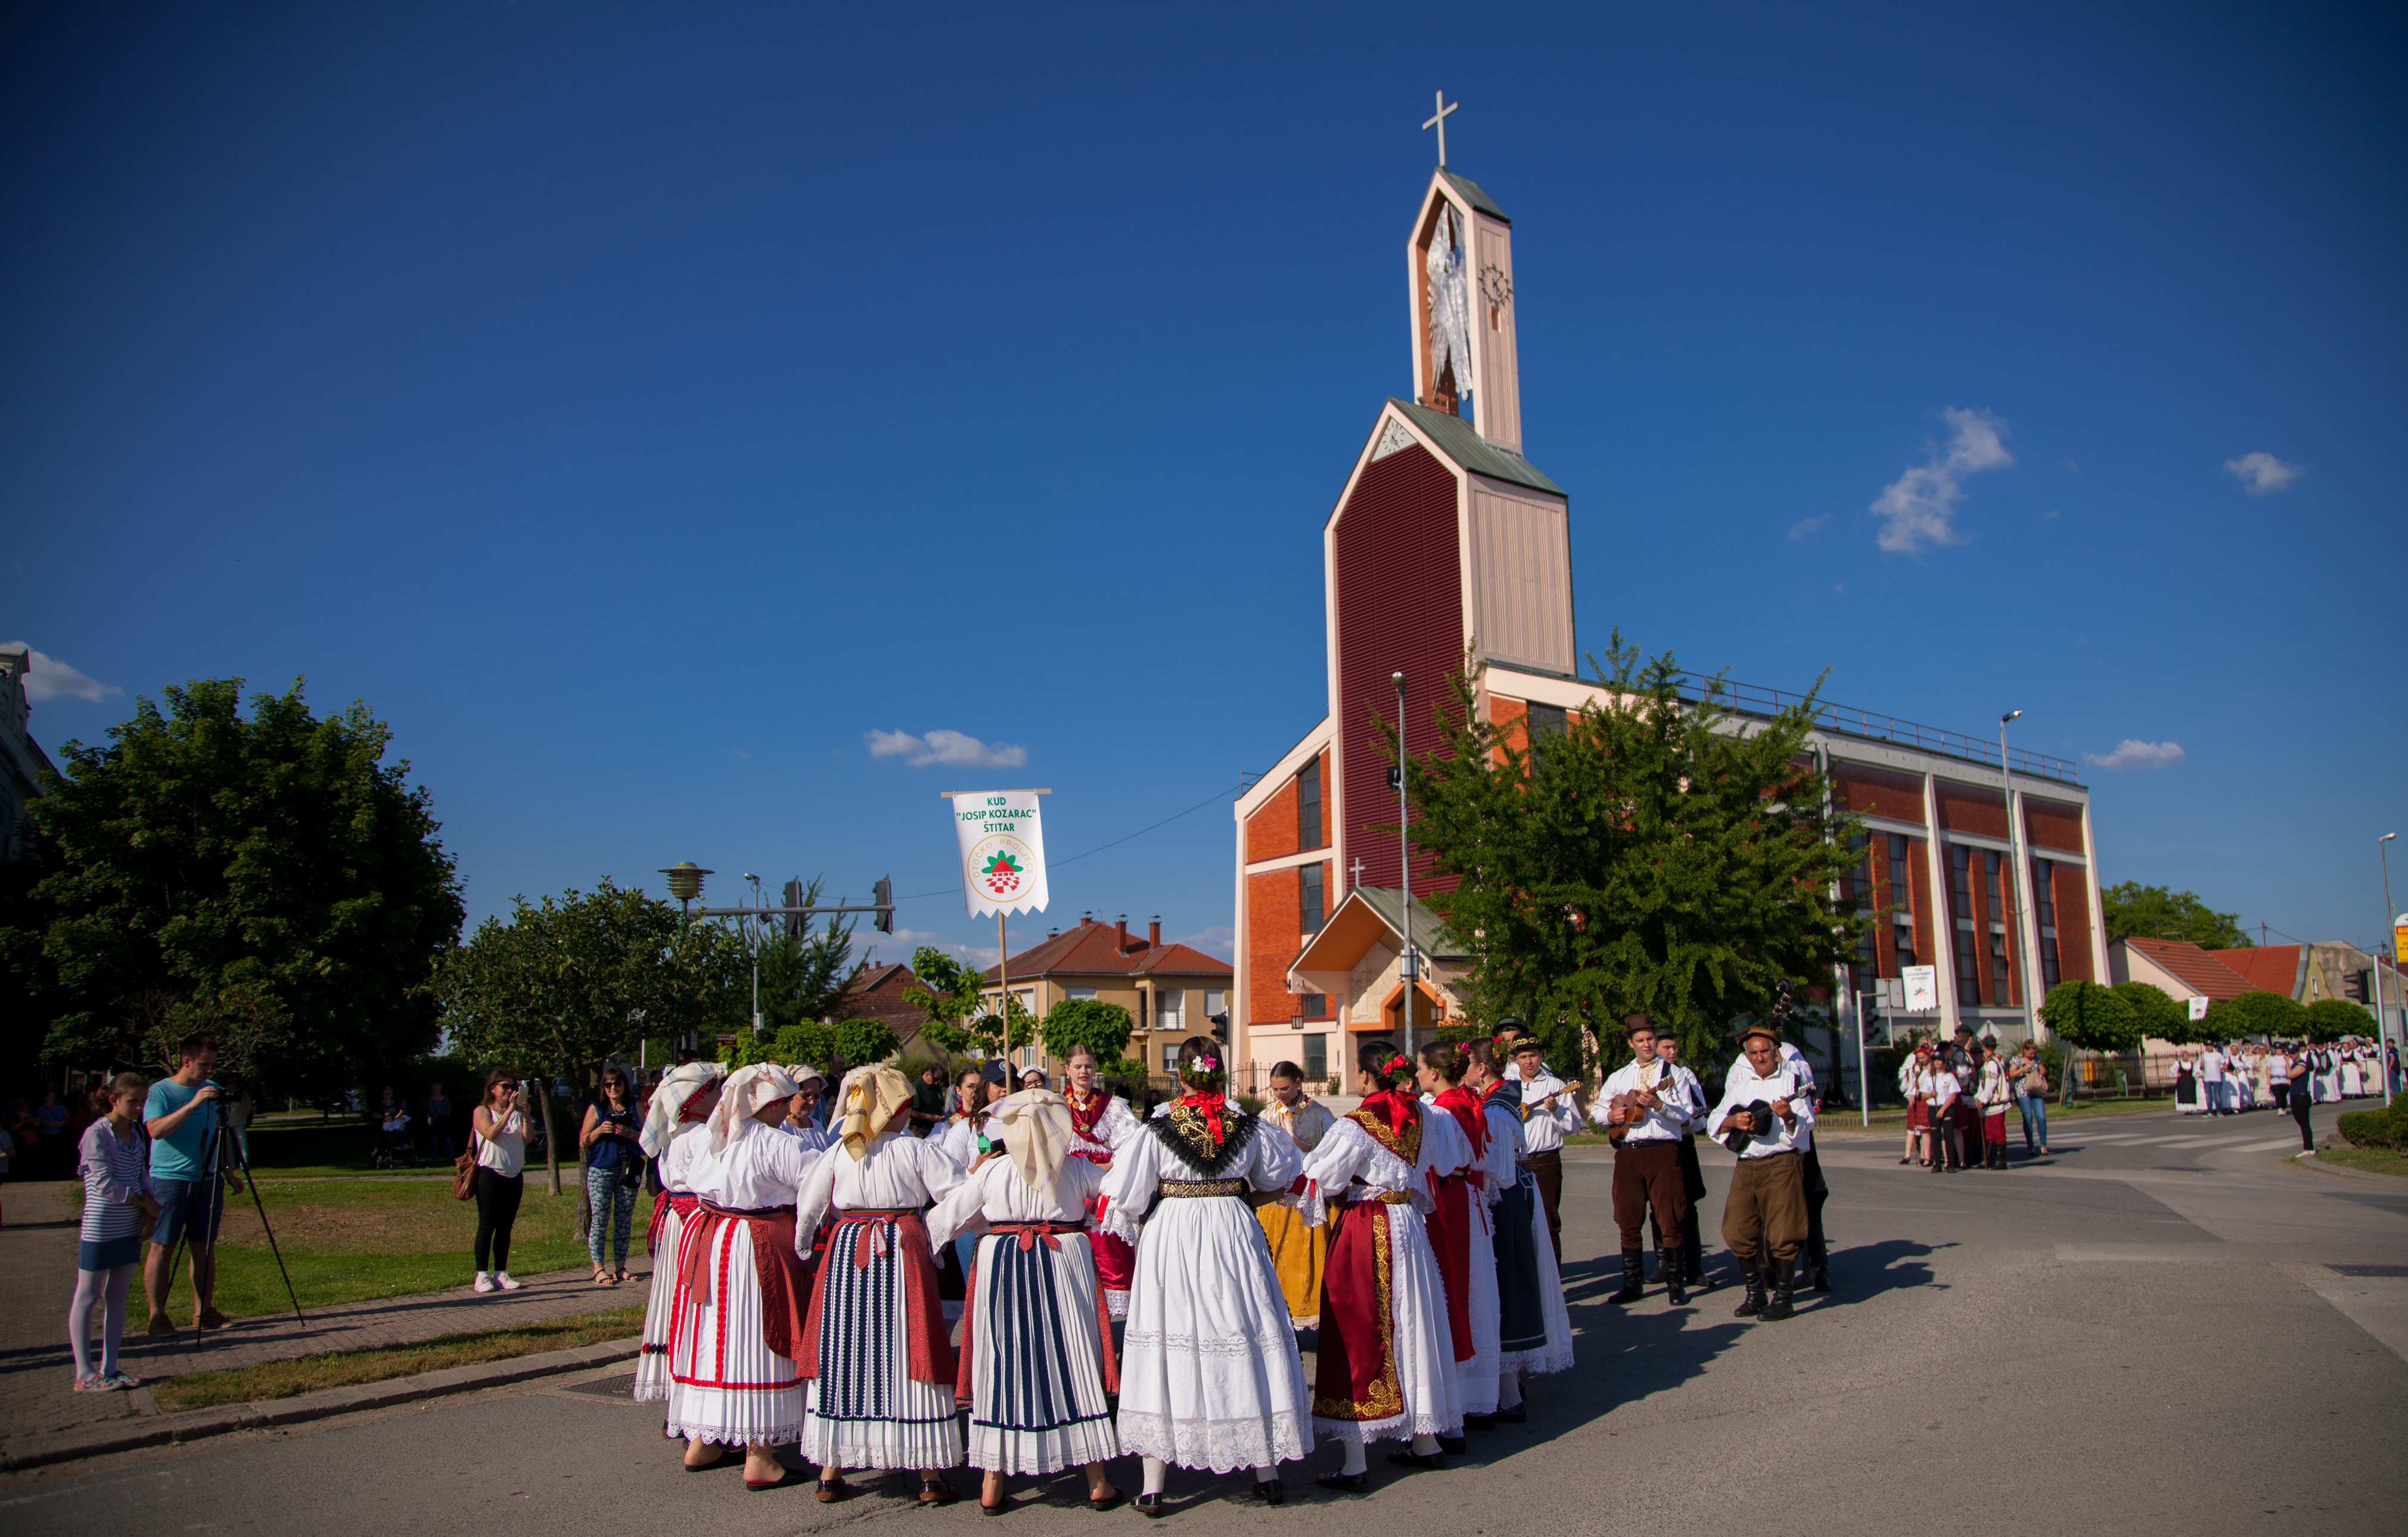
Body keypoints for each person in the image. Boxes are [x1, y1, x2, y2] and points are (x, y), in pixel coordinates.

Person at [1098, 1036, 1312, 1513]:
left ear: (1180, 1076)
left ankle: (1153, 1484)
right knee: (1244, 1331)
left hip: (1174, 1232)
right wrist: (1233, 1196)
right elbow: (1279, 1179)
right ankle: (1267, 1472)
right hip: (1234, 1229)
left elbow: (1128, 1200)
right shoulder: (1249, 1125)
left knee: (1169, 1339)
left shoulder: (1156, 1129)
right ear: (1219, 1074)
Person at [927, 1087, 1123, 1514]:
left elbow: (943, 1218)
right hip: (1062, 1262)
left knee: (1004, 1362)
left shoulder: (992, 1172)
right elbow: (1122, 1192)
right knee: (1070, 1358)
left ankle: (991, 1484)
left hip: (1004, 1264)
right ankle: (1096, 1481)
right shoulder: (1076, 1169)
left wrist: (954, 1243)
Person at [793, 1065, 970, 1505]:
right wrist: (937, 1231)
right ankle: (928, 1473)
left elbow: (809, 1205)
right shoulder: (914, 1151)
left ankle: (831, 1472)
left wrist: (802, 1248)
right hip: (901, 1245)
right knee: (909, 1346)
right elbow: (962, 1194)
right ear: (896, 1108)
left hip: (847, 1248)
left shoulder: (838, 1152)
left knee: (847, 1350)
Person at [1297, 1041, 1459, 1492]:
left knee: (1359, 1326)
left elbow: (1323, 1178)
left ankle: (1354, 1462)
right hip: (1408, 1222)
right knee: (1413, 1324)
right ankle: (1426, 1441)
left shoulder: (1356, 1124)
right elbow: (1447, 1162)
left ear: (1364, 1076)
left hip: (1368, 1226)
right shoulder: (1425, 1116)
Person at [663, 1063, 825, 1488]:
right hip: (755, 1245)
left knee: (713, 1338)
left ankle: (703, 1440)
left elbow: (684, 1184)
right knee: (755, 1337)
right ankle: (759, 1456)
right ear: (771, 1104)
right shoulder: (775, 1143)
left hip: (711, 1239)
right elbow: (818, 1188)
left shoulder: (711, 1140)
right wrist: (808, 1234)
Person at [1459, 1040, 1573, 1422]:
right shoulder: (1505, 1097)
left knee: (1502, 1289)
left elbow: (1495, 1170)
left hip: (1501, 1201)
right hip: (1514, 1194)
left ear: (1481, 1069)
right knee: (1505, 1288)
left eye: (1467, 1066)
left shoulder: (1495, 1109)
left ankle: (1506, 1394)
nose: (1464, 1073)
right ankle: (1508, 1391)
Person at [1708, 1020, 1816, 1321]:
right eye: (1753, 1053)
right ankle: (1755, 1292)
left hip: (1781, 1163)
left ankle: (1784, 1298)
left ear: (1775, 1052)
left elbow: (1807, 1123)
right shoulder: (1741, 1087)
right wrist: (1732, 1123)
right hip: (1747, 1164)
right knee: (1735, 1230)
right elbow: (1715, 1120)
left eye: (1764, 1051)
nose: (1759, 1057)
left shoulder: (1792, 1083)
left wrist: (1790, 1115)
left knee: (1784, 1232)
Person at [633, 1061, 724, 1414]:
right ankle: (688, 1388)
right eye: (714, 1089)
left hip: (678, 1223)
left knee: (676, 1296)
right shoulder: (701, 1135)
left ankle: (679, 1389)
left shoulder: (678, 1133)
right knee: (692, 1301)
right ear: (697, 1098)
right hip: (694, 1223)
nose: (720, 1095)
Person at [1593, 1015, 1697, 1306]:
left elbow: (1687, 1115)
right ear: (1631, 1044)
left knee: (1670, 1217)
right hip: (1628, 1153)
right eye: (1640, 1040)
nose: (1647, 1044)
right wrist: (1611, 1117)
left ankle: (1676, 1283)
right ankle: (1632, 1282)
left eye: (1650, 1038)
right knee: (1628, 1218)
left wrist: (1661, 1105)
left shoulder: (1673, 1074)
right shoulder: (1619, 1077)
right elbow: (1599, 1111)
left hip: (1663, 1151)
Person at [142, 1033, 244, 1333]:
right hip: (170, 1179)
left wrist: (228, 1171)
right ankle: (157, 1315)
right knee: (163, 1245)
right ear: (187, 1061)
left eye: (212, 1065)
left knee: (203, 1246)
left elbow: (219, 1132)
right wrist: (192, 1104)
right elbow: (156, 1130)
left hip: (208, 1178)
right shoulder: (160, 1092)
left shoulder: (212, 1090)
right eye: (204, 1065)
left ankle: (204, 1310)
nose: (209, 1071)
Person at [1418, 1042, 1494, 1435]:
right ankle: (1486, 1394)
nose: (1415, 1075)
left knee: (1455, 1293)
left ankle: (1462, 1402)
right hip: (1469, 1195)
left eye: (1419, 1068)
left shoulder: (1439, 1110)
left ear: (1434, 1073)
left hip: (1448, 1199)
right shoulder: (1466, 1101)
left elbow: (1435, 1161)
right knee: (1477, 1292)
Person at [73, 1072, 160, 1389]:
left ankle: (110, 1367)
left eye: (142, 1101)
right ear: (114, 1100)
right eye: (132, 1101)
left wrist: (150, 1208)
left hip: (129, 1224)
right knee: (88, 1294)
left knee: (118, 1296)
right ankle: (84, 1372)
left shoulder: (136, 1132)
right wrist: (142, 1202)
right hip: (101, 1225)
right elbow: (103, 1183)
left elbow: (142, 1173)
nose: (138, 1108)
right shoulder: (96, 1134)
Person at [1059, 1043, 1142, 1321]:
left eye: (1089, 1066)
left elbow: (1132, 1147)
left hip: (1104, 1188)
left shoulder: (1112, 1106)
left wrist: (1109, 1165)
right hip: (1068, 1188)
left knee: (1107, 1247)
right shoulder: (1056, 1106)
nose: (1084, 1071)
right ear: (1067, 1068)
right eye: (1078, 1066)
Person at [1256, 1060, 1334, 1328]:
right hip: (1277, 1196)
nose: (1279, 1094)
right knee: (1274, 1252)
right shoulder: (1267, 1115)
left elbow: (1330, 1154)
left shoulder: (1320, 1114)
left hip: (1308, 1195)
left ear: (1299, 1083)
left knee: (1307, 1258)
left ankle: (1309, 1310)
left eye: (1285, 1088)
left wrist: (1300, 1148)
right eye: (1275, 1089)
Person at [1509, 1038, 1579, 1263]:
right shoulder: (1508, 1087)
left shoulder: (1556, 1086)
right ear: (1516, 1060)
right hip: (1514, 1164)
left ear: (1541, 1056)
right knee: (1517, 1226)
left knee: (1548, 1224)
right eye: (1523, 1057)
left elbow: (1573, 1126)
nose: (1529, 1061)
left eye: (1533, 1056)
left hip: (1545, 1162)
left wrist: (1557, 1110)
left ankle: (1554, 1287)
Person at [1654, 1035, 1712, 1289]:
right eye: (1667, 1047)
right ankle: (1664, 1264)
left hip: (1683, 1144)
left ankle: (1694, 1267)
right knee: (1658, 1208)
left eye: (1675, 1046)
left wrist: (1689, 1120)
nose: (1673, 1051)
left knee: (1687, 1207)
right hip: (1658, 1147)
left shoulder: (1685, 1074)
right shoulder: (1645, 1074)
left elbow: (1700, 1113)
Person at [579, 1065, 643, 1286]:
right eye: (608, 1084)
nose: (613, 1088)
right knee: (600, 1219)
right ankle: (599, 1268)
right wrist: (599, 1131)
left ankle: (620, 1267)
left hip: (628, 1168)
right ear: (603, 1087)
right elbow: (583, 1140)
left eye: (617, 1083)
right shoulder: (597, 1108)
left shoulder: (635, 1106)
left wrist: (630, 1133)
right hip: (601, 1168)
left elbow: (646, 1138)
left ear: (624, 1085)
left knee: (624, 1219)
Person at [470, 1068, 529, 1293]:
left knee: (506, 1227)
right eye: (505, 1086)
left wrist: (524, 1116)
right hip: (490, 1174)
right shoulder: (482, 1111)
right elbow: (491, 1133)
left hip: (514, 1174)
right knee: (487, 1225)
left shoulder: (516, 1112)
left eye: (513, 1087)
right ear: (493, 1089)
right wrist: (509, 1111)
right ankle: (482, 1275)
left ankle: (501, 1272)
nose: (510, 1091)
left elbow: (529, 1137)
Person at [1972, 1042, 2012, 1170]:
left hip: (1996, 1102)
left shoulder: (1991, 1063)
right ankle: (1988, 1159)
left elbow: (1991, 1085)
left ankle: (2001, 1160)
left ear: (1984, 1047)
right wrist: (1979, 1097)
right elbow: (1983, 1084)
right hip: (1991, 1103)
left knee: (1998, 1132)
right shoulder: (1992, 1061)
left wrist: (1983, 1099)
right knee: (1989, 1131)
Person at [2012, 1040, 2051, 1156]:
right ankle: (2030, 1145)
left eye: (2035, 1053)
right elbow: (2011, 1073)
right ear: (2025, 1050)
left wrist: (2041, 1072)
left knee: (2041, 1116)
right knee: (2028, 1117)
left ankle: (2043, 1145)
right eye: (2031, 1053)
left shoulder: (2037, 1058)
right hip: (2023, 1090)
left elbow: (2043, 1068)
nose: (2033, 1056)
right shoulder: (2017, 1059)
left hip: (2036, 1089)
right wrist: (2022, 1070)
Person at [1901, 1042, 1935, 1165]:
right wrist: (1911, 1095)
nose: (1922, 1060)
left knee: (1926, 1129)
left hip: (1927, 1099)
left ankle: (1926, 1155)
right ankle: (1908, 1155)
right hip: (1917, 1099)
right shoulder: (1916, 1068)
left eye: (1924, 1057)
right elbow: (1912, 1084)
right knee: (1914, 1128)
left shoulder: (1932, 1067)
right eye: (1919, 1058)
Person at [2288, 1046, 2317, 1155]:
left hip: (2302, 1096)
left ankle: (2309, 1148)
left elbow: (2290, 1075)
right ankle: (2307, 1147)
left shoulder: (2302, 1064)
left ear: (2298, 1053)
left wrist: (2286, 1062)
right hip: (2294, 1095)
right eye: (2290, 1053)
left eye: (2293, 1053)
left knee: (2305, 1123)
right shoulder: (2294, 1064)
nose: (2291, 1056)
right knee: (2300, 1122)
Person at [908, 1064, 948, 1137]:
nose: (937, 1082)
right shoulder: (916, 1087)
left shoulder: (936, 1087)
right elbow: (910, 1112)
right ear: (927, 1075)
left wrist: (942, 1115)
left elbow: (940, 1105)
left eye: (939, 1080)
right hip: (919, 1131)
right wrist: (929, 1117)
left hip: (935, 1129)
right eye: (935, 1079)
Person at [424, 1082, 453, 1162]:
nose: (439, 1090)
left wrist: (447, 1113)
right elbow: (430, 1109)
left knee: (447, 1139)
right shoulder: (431, 1100)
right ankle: (435, 1158)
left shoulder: (445, 1098)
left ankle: (451, 1157)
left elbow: (449, 1107)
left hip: (444, 1119)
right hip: (435, 1121)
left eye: (440, 1089)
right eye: (437, 1089)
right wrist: (435, 1114)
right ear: (433, 1090)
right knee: (434, 1140)